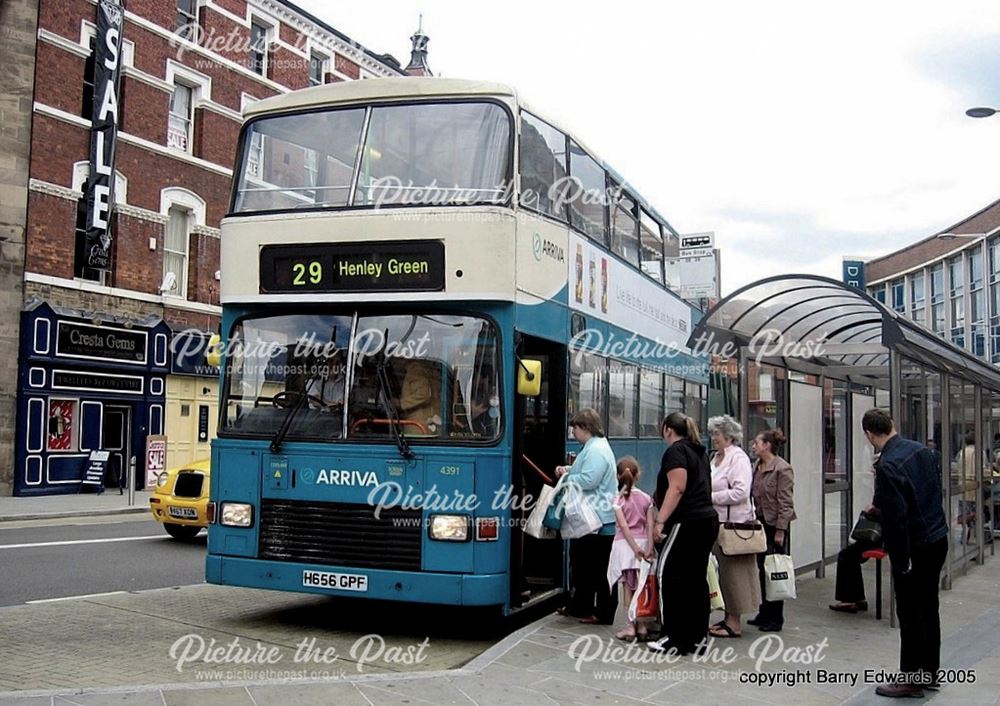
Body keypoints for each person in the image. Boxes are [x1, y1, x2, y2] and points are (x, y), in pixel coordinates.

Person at [861, 409, 948, 698]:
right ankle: (929, 672)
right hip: (937, 536)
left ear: (870, 435)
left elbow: (897, 520)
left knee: (909, 613)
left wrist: (900, 561)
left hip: (915, 545)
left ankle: (911, 679)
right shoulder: (921, 451)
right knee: (929, 608)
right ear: (892, 425)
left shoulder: (887, 465)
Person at [646, 412, 719, 656]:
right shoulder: (699, 451)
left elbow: (677, 487)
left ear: (667, 429)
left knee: (670, 577)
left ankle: (673, 638)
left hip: (685, 522)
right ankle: (697, 639)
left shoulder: (675, 452)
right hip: (707, 521)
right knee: (696, 580)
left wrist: (659, 520)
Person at [554, 408, 619, 624]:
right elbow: (584, 471)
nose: (573, 432)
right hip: (594, 518)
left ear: (586, 428)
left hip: (597, 519)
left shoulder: (596, 450)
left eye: (575, 428)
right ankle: (581, 605)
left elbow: (589, 480)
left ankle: (601, 612)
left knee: (596, 569)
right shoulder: (593, 447)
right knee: (583, 564)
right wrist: (568, 469)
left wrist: (567, 478)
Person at [706, 415, 761, 639]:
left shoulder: (738, 459)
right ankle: (728, 616)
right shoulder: (716, 457)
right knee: (722, 571)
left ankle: (734, 621)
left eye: (716, 434)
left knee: (733, 572)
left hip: (734, 525)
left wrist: (711, 497)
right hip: (718, 522)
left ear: (728, 435)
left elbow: (740, 492)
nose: (713, 438)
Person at [749, 428, 795, 633]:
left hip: (773, 524)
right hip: (758, 523)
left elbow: (786, 502)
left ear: (767, 445)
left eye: (756, 443)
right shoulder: (756, 466)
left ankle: (776, 617)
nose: (753, 446)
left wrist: (780, 530)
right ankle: (763, 612)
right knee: (760, 568)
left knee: (774, 570)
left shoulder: (782, 469)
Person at [606, 456, 654, 641]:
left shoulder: (617, 500)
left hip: (625, 548)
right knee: (642, 586)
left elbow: (624, 527)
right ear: (638, 475)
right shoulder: (646, 498)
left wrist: (634, 548)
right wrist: (648, 547)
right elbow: (649, 524)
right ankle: (642, 625)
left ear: (618, 477)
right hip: (643, 545)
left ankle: (629, 627)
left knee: (628, 587)